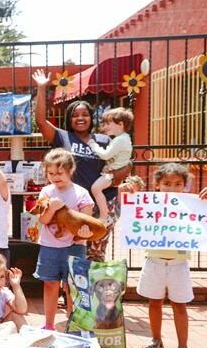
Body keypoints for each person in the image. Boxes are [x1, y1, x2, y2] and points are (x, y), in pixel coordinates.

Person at [32, 69, 128, 262]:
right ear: (69, 119)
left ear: (92, 118)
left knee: (96, 253)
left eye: (85, 114)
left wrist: (121, 176)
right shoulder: (63, 137)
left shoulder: (103, 140)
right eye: (75, 115)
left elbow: (125, 160)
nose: (81, 118)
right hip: (70, 205)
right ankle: (70, 290)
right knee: (71, 250)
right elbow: (41, 122)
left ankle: (92, 292)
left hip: (102, 203)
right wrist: (42, 88)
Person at [132, 163, 207, 348]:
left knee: (179, 305)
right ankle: (156, 340)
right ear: (157, 185)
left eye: (178, 184)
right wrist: (126, 189)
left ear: (185, 186)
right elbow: (129, 204)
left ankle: (183, 347)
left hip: (179, 263)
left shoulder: (192, 203)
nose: (172, 188)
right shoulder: (151, 203)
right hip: (154, 260)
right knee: (154, 302)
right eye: (167, 183)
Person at [35, 148, 94, 330]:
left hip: (74, 247)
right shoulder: (45, 192)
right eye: (51, 173)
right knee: (50, 283)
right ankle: (49, 324)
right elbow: (43, 220)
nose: (55, 177)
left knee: (73, 287)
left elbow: (87, 223)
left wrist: (85, 233)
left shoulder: (81, 193)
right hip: (49, 246)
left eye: (60, 172)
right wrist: (51, 209)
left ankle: (73, 321)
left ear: (70, 170)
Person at [87, 108, 133, 225]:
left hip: (112, 174)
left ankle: (104, 215)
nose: (104, 127)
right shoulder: (123, 138)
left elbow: (105, 155)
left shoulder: (120, 140)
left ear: (120, 124)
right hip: (112, 172)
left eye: (108, 123)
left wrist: (94, 145)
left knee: (95, 189)